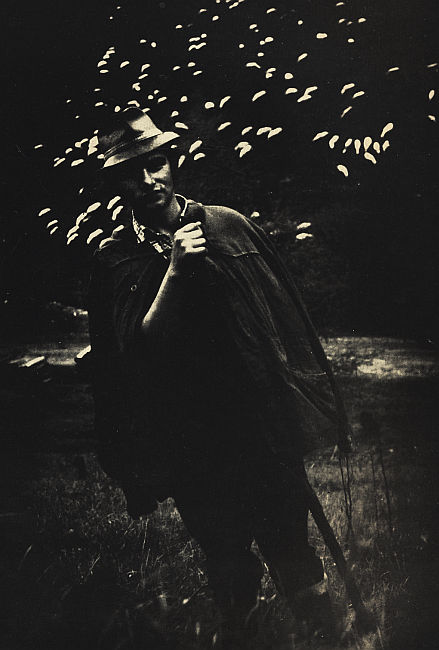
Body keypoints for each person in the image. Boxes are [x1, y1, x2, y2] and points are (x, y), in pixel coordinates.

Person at [87, 107, 351, 645]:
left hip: (260, 428)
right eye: (132, 173)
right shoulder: (117, 258)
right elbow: (136, 350)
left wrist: (298, 401)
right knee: (225, 553)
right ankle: (243, 632)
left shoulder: (228, 225)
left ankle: (325, 636)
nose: (148, 181)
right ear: (115, 183)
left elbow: (284, 319)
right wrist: (175, 269)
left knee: (290, 545)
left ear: (172, 163)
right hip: (190, 441)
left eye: (156, 164)